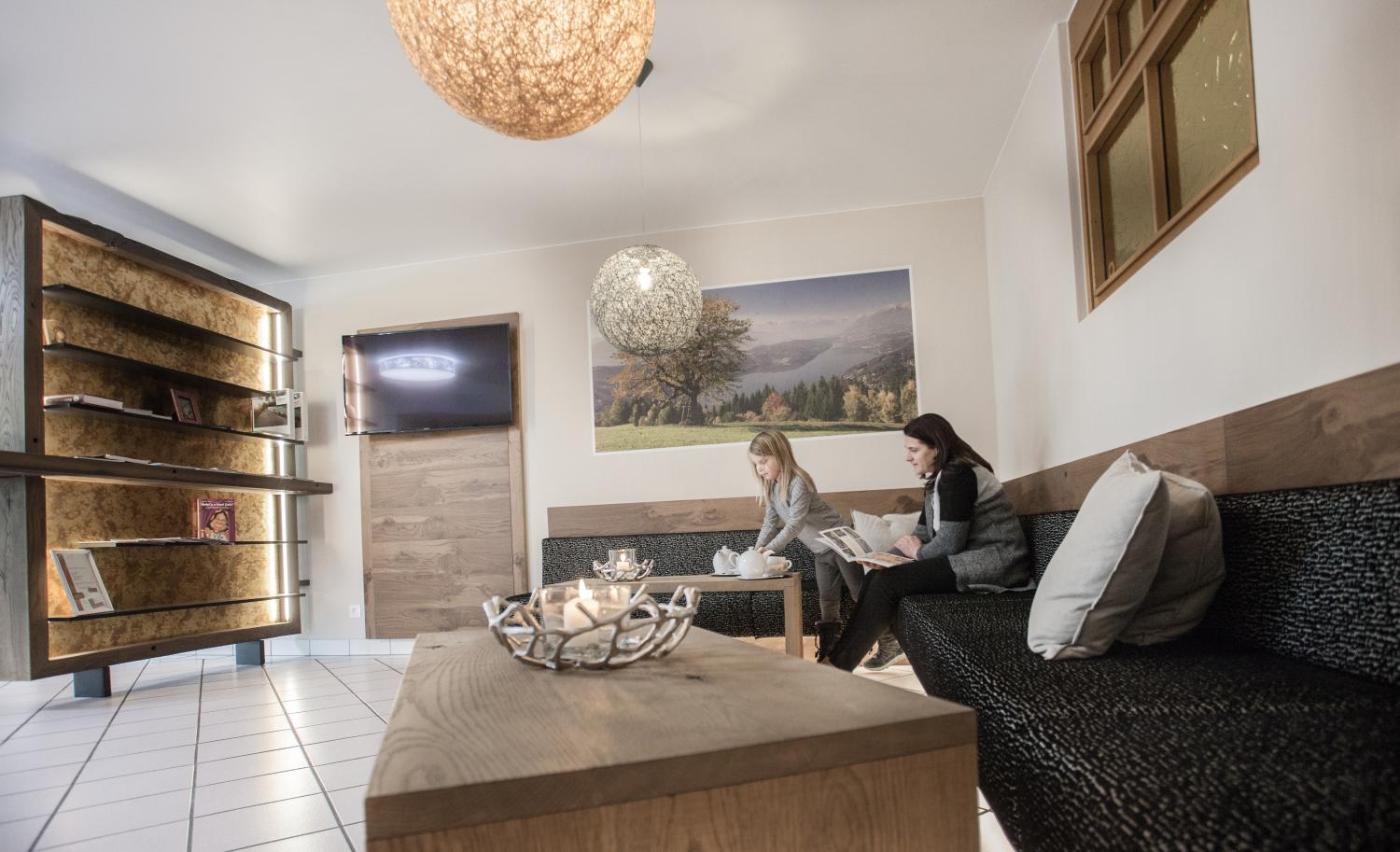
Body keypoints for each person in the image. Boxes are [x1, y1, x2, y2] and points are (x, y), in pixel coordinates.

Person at [826, 413, 1031, 671]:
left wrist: (917, 552)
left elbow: (948, 546)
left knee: (887, 583)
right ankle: (839, 662)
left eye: (914, 450)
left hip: (996, 564)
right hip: (965, 560)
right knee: (878, 576)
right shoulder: (939, 480)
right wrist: (885, 558)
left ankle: (836, 666)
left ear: (936, 448)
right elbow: (921, 533)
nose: (907, 457)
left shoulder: (959, 476)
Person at [747, 431, 862, 661]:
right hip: (821, 551)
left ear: (780, 454)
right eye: (756, 464)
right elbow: (770, 523)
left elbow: (795, 524)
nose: (760, 468)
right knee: (827, 599)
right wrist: (755, 550)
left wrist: (771, 549)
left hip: (841, 543)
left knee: (860, 593)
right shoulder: (772, 487)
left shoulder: (799, 482)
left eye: (763, 461)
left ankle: (888, 641)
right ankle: (829, 651)